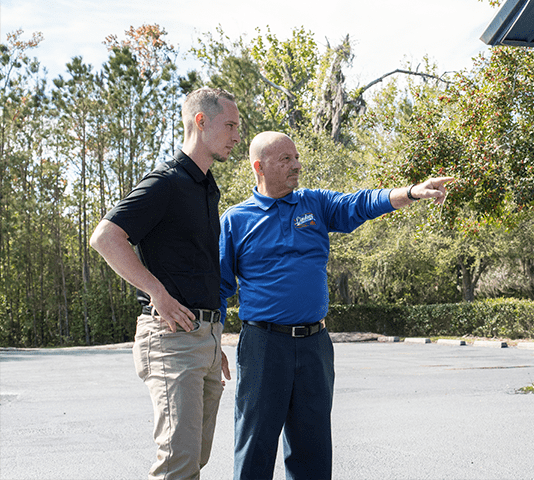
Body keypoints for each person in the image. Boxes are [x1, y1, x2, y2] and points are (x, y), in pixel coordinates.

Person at [219, 131, 454, 480]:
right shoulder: (236, 220)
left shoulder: (315, 204)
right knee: (255, 447)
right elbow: (220, 287)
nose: (296, 164)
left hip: (315, 346)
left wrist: (410, 193)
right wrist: (211, 342)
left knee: (311, 450)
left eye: (296, 157)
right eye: (286, 159)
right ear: (259, 166)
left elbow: (361, 203)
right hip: (264, 346)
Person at [90, 87, 239, 479]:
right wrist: (158, 293)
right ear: (201, 122)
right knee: (177, 463)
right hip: (171, 341)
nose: (237, 136)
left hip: (202, 339)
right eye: (230, 125)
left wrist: (212, 338)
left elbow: (197, 267)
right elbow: (106, 237)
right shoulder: (166, 182)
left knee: (193, 460)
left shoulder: (206, 187)